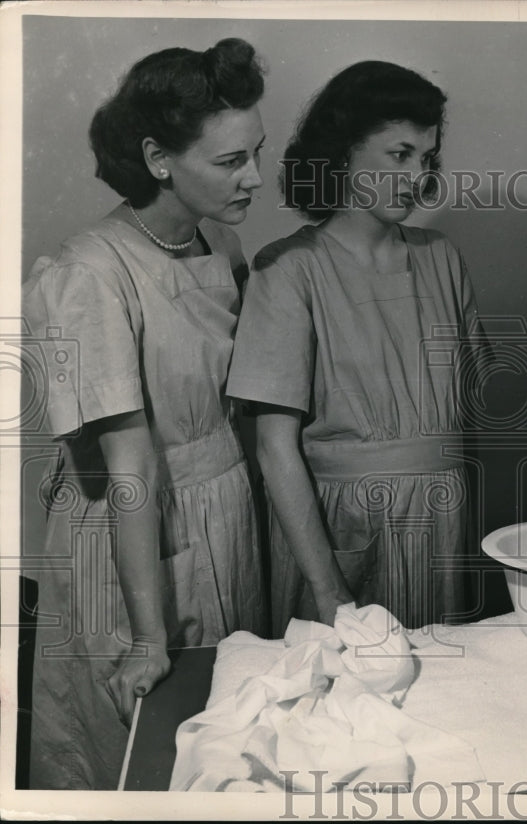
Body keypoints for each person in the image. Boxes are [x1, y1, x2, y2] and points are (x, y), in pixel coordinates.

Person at [21, 38, 267, 789]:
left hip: (223, 514)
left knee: (227, 747)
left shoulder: (220, 241)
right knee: (135, 756)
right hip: (134, 531)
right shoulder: (89, 273)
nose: (255, 178)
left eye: (256, 153)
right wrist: (149, 638)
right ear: (159, 158)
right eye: (231, 161)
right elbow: (130, 463)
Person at [227, 61, 489, 634]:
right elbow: (274, 450)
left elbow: (467, 420)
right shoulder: (289, 269)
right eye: (400, 155)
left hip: (444, 531)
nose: (417, 176)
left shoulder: (442, 258)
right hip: (340, 534)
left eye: (427, 159)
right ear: (344, 154)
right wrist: (329, 594)